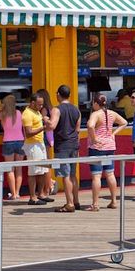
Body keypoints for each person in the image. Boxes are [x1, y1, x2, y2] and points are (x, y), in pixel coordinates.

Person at [86, 94, 127, 211]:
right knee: (110, 174)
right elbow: (124, 122)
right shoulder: (111, 113)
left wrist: (94, 139)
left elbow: (90, 125)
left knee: (96, 176)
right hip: (110, 146)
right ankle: (114, 201)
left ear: (95, 103)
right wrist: (113, 133)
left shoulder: (95, 114)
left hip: (97, 148)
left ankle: (95, 204)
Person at [46, 85, 82, 213]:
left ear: (58, 95)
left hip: (62, 146)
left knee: (65, 175)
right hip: (74, 145)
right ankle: (76, 201)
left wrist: (45, 119)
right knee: (73, 174)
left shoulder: (57, 109)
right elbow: (77, 129)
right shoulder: (76, 109)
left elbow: (52, 126)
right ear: (70, 95)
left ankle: (69, 203)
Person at [0, 95, 27, 201]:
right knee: (19, 169)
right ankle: (17, 193)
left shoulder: (3, 114)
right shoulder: (19, 113)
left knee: (10, 169)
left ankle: (13, 194)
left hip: (8, 142)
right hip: (20, 142)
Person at [22, 93, 50, 205]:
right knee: (33, 171)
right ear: (32, 103)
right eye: (39, 104)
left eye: (42, 104)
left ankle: (41, 194)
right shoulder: (27, 114)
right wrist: (43, 127)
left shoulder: (36, 111)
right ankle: (32, 197)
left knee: (43, 170)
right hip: (32, 144)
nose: (41, 106)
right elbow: (28, 133)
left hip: (40, 142)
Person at [35, 88, 57, 199]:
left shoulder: (43, 110)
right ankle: (49, 186)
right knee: (47, 163)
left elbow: (42, 124)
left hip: (43, 137)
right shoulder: (52, 108)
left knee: (45, 165)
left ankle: (48, 187)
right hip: (50, 138)